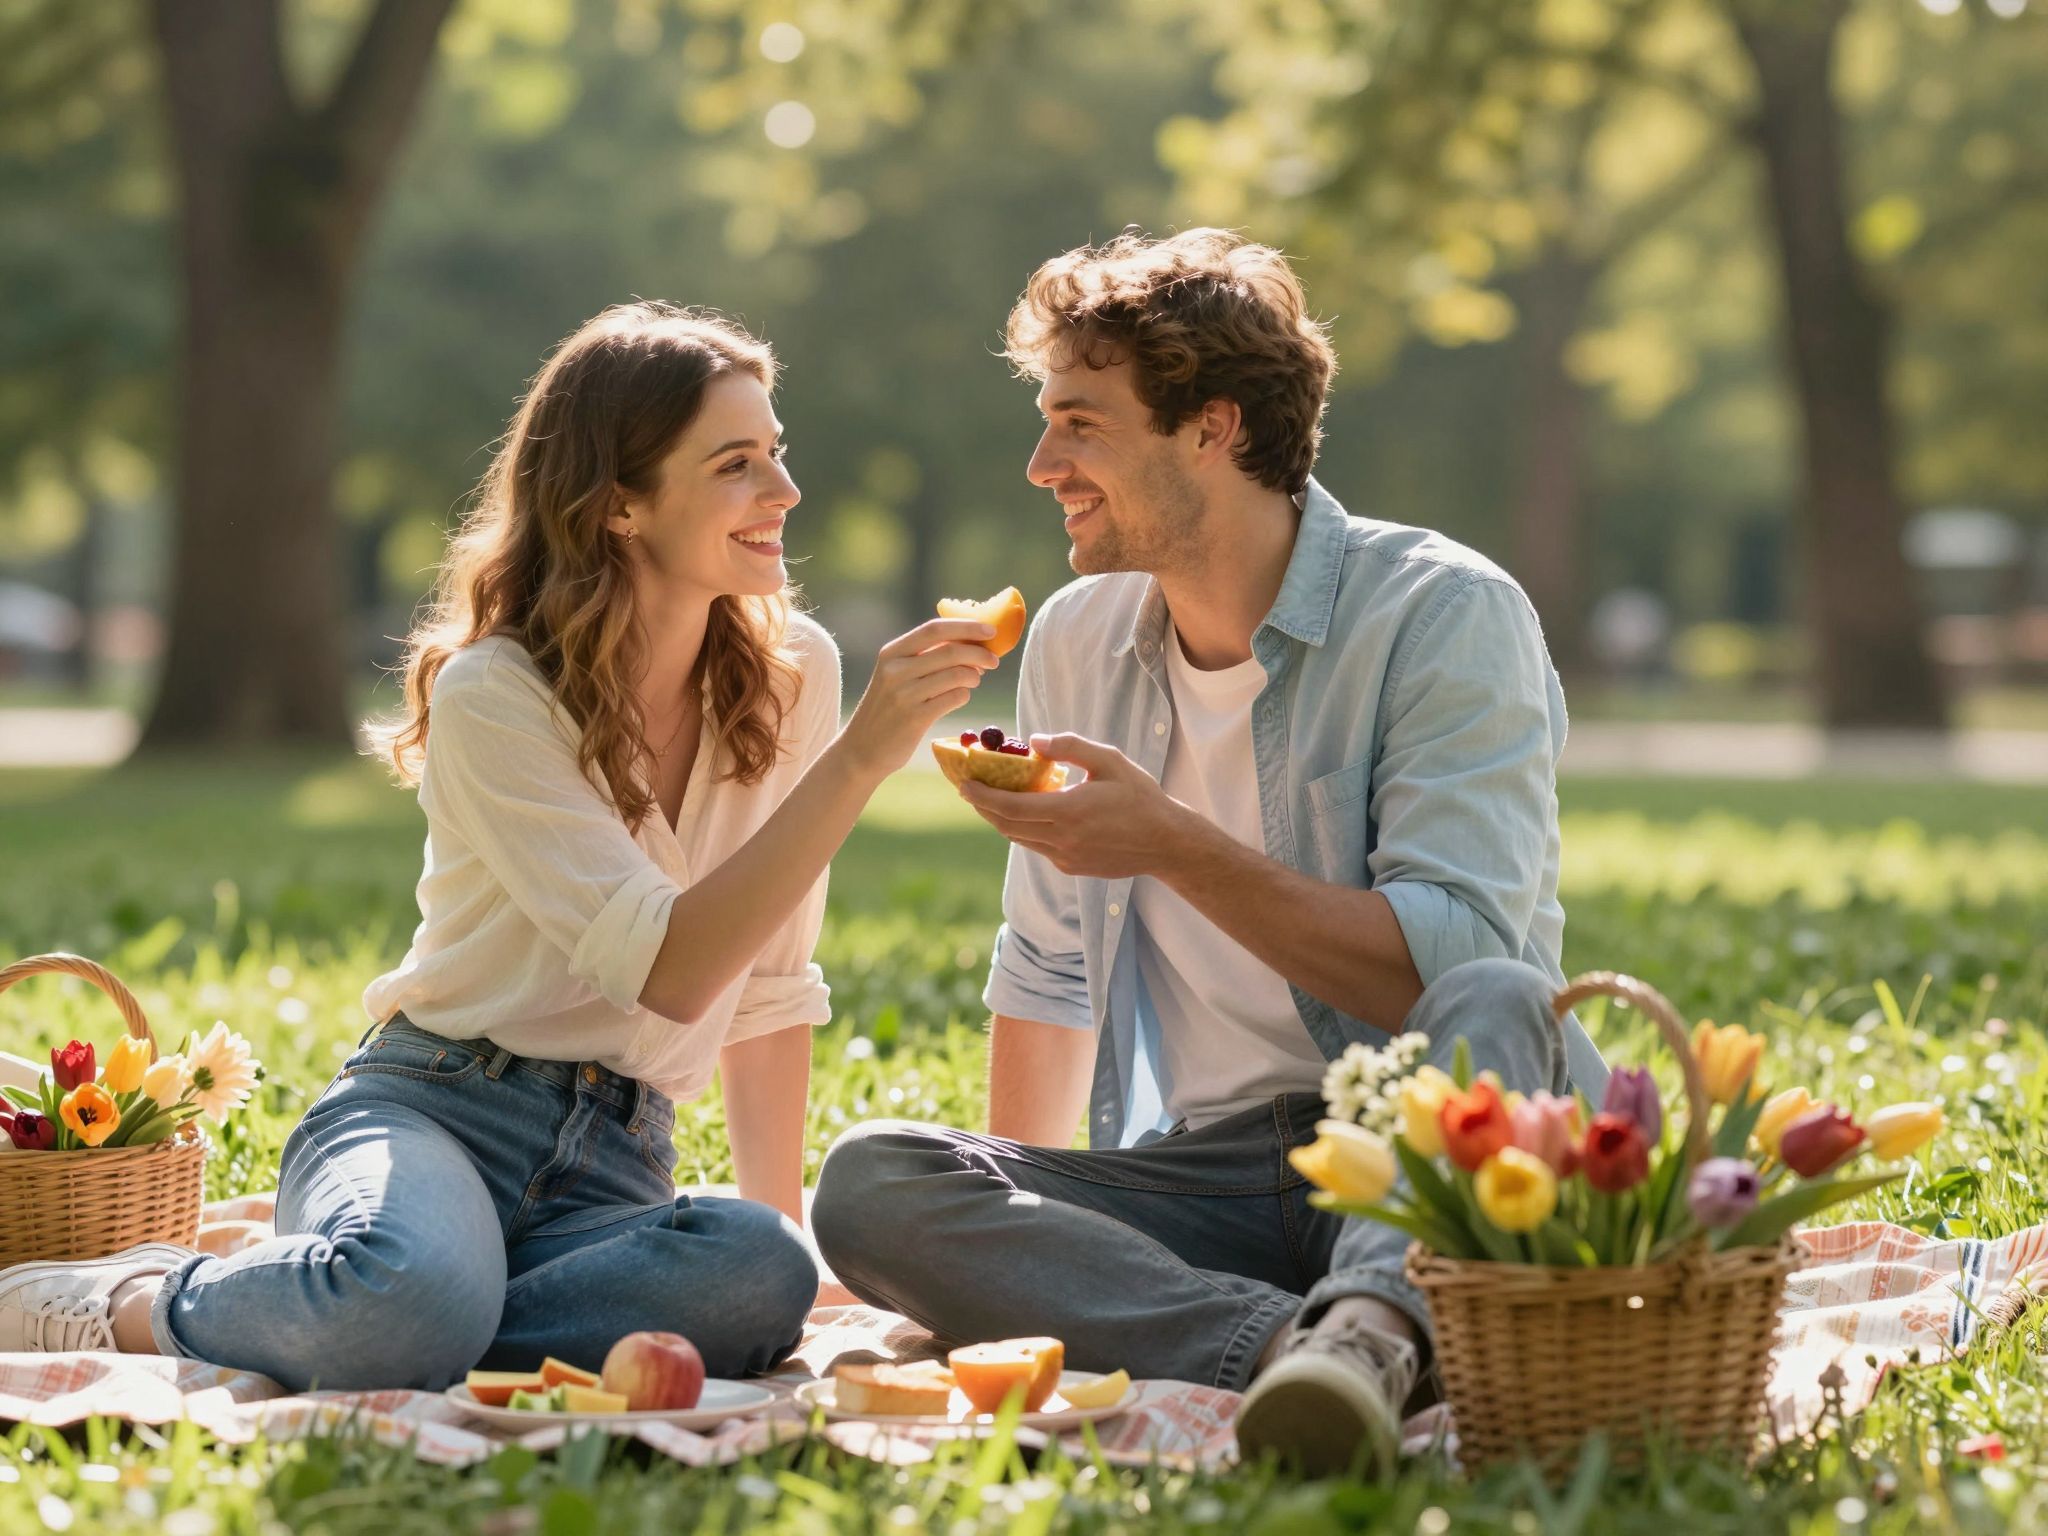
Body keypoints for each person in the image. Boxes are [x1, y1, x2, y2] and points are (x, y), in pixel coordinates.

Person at [0, 303, 1002, 1391]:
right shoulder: (496, 693)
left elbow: (763, 982)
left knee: (757, 1272)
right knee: (414, 1292)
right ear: (619, 503)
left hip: (616, 1158)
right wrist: (862, 761)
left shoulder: (792, 670)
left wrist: (781, 1233)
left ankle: (391, 1306)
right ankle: (137, 1299)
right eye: (734, 465)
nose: (784, 493)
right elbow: (672, 971)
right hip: (434, 1106)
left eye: (776, 452)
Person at [809, 231, 1609, 1475]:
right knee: (872, 1180)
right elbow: (1047, 969)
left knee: (1504, 995)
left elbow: (1451, 972)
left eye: (1079, 423)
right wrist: (1012, 1251)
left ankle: (1373, 1321)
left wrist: (1169, 843)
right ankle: (1322, 1352)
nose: (1040, 464)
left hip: (1432, 1149)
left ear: (1212, 428)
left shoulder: (1443, 614)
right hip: (1216, 1186)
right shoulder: (1078, 637)